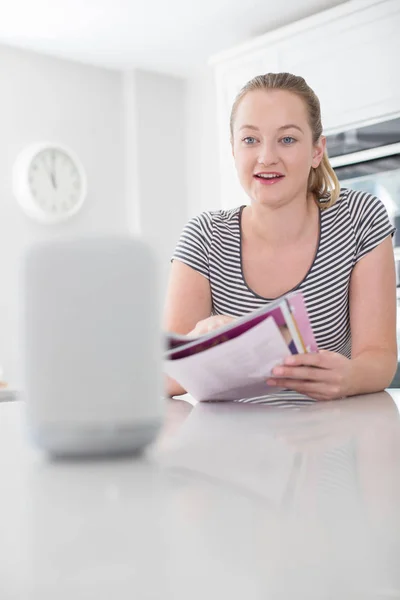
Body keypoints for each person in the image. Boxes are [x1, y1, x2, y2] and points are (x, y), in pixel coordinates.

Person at [163, 72, 397, 401]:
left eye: (287, 139)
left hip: (332, 436)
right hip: (235, 440)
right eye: (250, 140)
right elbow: (165, 380)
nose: (266, 157)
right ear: (233, 150)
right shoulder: (204, 237)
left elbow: (380, 358)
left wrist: (350, 377)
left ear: (317, 151)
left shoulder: (360, 218)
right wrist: (196, 344)